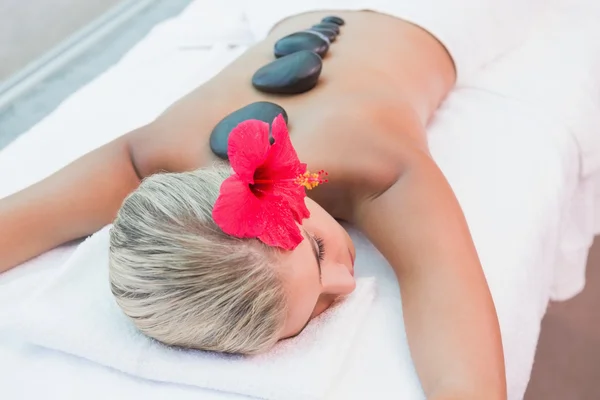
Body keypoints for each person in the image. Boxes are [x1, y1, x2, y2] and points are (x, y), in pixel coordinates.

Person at [0, 3, 545, 398]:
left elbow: (444, 292)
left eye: (315, 252)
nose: (347, 282)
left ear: (282, 195)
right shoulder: (153, 158)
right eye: (317, 311)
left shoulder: (371, 162)